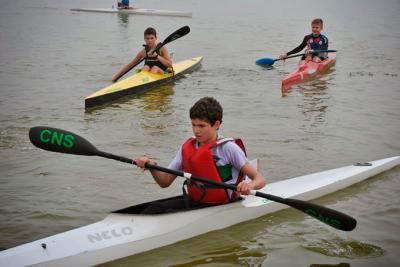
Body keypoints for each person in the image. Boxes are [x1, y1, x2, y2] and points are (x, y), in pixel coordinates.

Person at [134, 97, 267, 213]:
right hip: (194, 201)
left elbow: (259, 179)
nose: (196, 130)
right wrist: (151, 165)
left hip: (222, 205)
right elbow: (164, 182)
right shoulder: (187, 147)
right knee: (155, 208)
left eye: (201, 126)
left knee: (163, 212)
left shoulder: (228, 148)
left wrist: (249, 186)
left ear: (216, 124)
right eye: (193, 125)